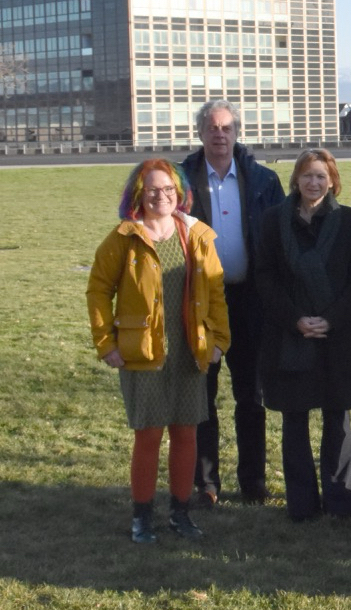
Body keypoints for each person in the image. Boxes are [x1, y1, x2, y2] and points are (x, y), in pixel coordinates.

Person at [87, 159, 228, 542]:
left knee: (186, 434)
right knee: (148, 436)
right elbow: (99, 289)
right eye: (152, 189)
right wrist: (106, 343)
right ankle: (142, 516)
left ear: (179, 192)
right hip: (142, 353)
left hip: (188, 350)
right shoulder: (123, 237)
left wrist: (218, 342)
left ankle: (180, 513)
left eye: (168, 189)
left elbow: (215, 292)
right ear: (138, 193)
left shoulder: (196, 235)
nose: (161, 196)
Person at [254, 149, 351, 522]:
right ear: (295, 180)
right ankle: (301, 505)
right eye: (307, 176)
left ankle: (340, 502)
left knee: (337, 419)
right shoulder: (274, 221)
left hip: (335, 336)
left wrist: (330, 320)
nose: (314, 183)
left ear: (332, 181)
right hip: (290, 335)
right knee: (295, 419)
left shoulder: (349, 220)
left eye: (321, 176)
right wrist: (296, 320)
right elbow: (265, 277)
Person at [180, 99, 285, 508]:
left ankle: (253, 482)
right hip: (200, 302)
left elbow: (277, 239)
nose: (219, 134)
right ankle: (205, 484)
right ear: (201, 133)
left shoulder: (262, 180)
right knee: (202, 395)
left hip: (250, 300)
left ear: (236, 132)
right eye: (211, 128)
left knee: (250, 395)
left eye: (226, 128)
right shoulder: (183, 179)